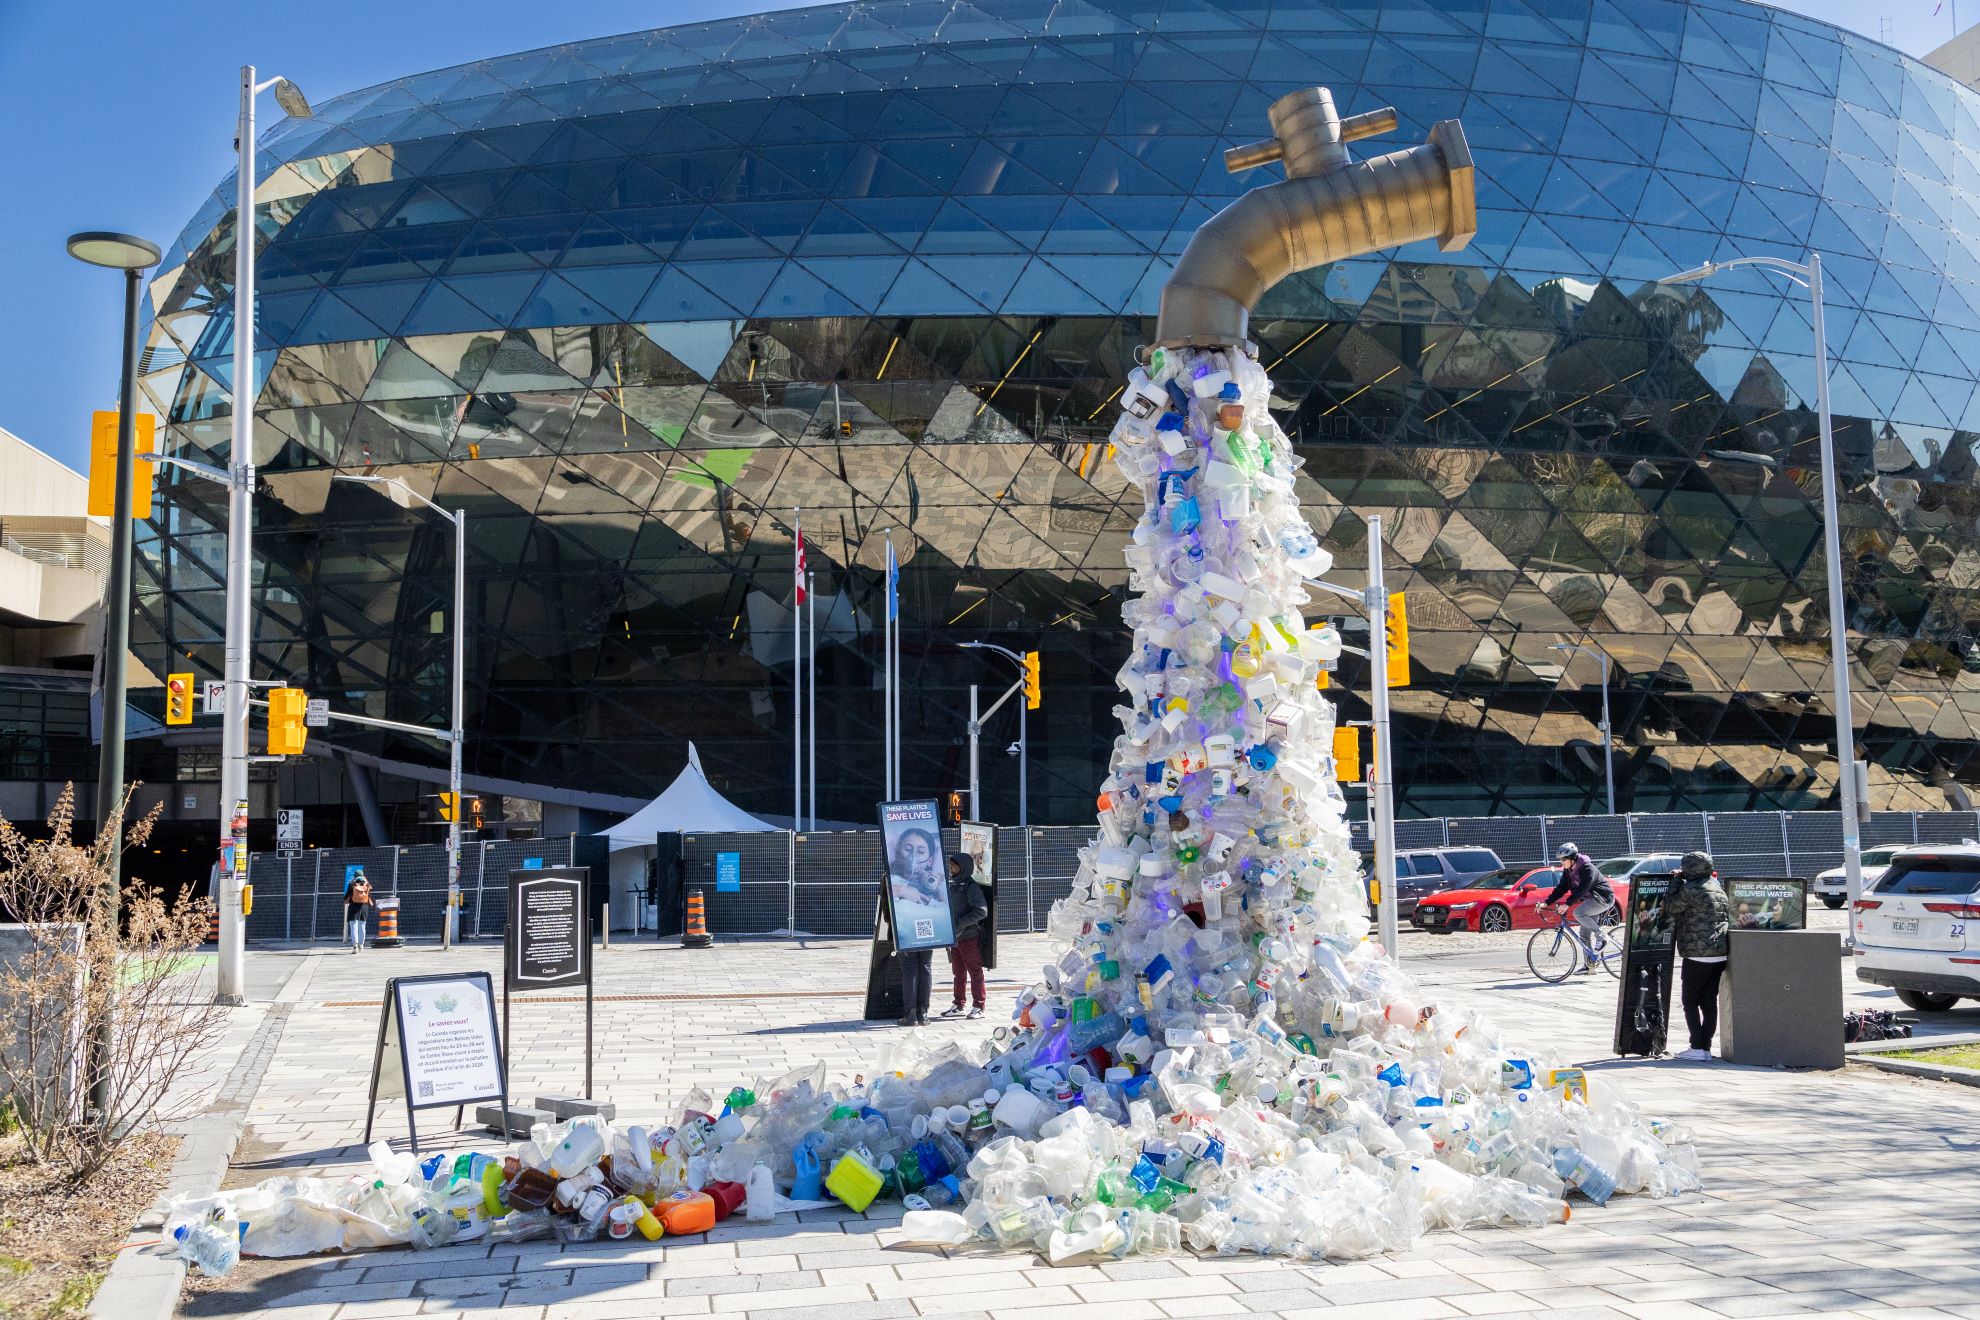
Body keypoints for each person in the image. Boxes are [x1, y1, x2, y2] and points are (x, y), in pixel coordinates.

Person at [1663, 850, 1730, 1061]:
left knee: (1689, 1000)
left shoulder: (1691, 888)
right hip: (1719, 953)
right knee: (1709, 1001)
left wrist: (1675, 881)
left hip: (1697, 954)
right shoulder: (1717, 888)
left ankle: (1697, 1047)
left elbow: (1671, 906)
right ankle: (1706, 1048)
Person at [1539, 842, 1616, 973]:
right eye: (1560, 860)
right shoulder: (1568, 871)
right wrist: (1546, 903)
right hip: (1592, 901)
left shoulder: (1587, 867)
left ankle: (1601, 936)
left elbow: (1583, 888)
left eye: (1564, 859)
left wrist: (1567, 904)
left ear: (1572, 858)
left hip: (1603, 898)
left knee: (1578, 913)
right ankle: (1590, 965)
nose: (1561, 862)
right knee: (1584, 934)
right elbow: (1561, 888)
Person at [939, 853, 990, 1020]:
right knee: (958, 972)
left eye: (955, 866)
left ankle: (979, 1006)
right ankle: (959, 1004)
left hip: (968, 936)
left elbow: (981, 911)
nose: (951, 868)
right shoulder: (952, 883)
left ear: (964, 867)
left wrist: (960, 924)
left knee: (975, 971)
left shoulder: (970, 886)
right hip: (955, 937)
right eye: (951, 865)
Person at [344, 867, 374, 954]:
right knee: (362, 927)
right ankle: (361, 945)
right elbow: (369, 897)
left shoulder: (352, 884)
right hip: (364, 907)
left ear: (355, 876)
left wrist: (347, 899)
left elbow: (346, 897)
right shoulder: (367, 884)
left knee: (354, 927)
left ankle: (355, 946)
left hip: (353, 907)